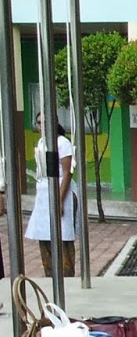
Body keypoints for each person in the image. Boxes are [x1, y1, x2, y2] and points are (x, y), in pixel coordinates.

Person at [24, 116, 77, 278]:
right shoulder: (42, 143)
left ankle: (66, 279)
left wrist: (59, 200)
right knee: (44, 237)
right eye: (39, 123)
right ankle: (50, 277)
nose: (42, 126)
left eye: (46, 123)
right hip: (43, 196)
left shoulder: (62, 143)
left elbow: (68, 172)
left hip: (61, 192)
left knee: (62, 238)